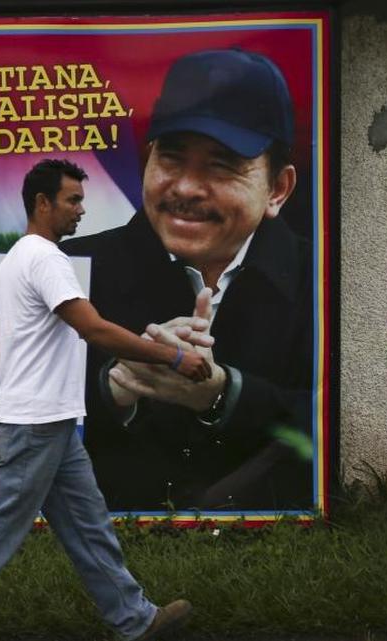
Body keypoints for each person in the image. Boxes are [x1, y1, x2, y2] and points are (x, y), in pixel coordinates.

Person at [0, 159, 202, 641]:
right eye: (73, 200)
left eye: (82, 201)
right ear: (42, 203)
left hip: (53, 423)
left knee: (89, 526)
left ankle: (135, 620)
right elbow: (94, 329)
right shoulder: (47, 260)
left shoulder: (16, 259)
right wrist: (172, 356)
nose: (81, 210)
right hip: (35, 425)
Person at [61, 48, 314, 512]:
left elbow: (339, 425)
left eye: (222, 165)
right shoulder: (67, 269)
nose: (185, 187)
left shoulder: (321, 284)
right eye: (172, 158)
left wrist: (223, 394)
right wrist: (114, 389)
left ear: (278, 189)